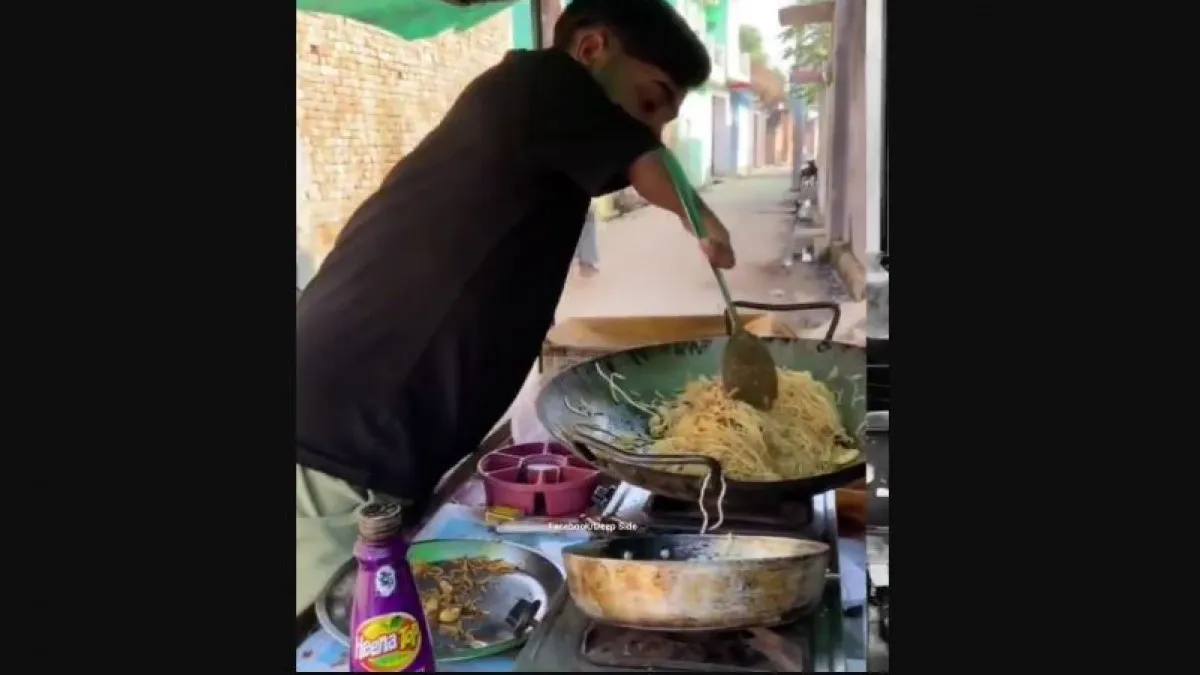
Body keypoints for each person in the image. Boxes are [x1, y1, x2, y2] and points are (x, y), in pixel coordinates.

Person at [295, 0, 736, 614]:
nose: (653, 129)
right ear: (590, 50)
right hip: (332, 439)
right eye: (650, 101)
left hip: (375, 437)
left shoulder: (537, 127)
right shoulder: (538, 82)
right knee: (335, 631)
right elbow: (647, 161)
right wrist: (708, 226)